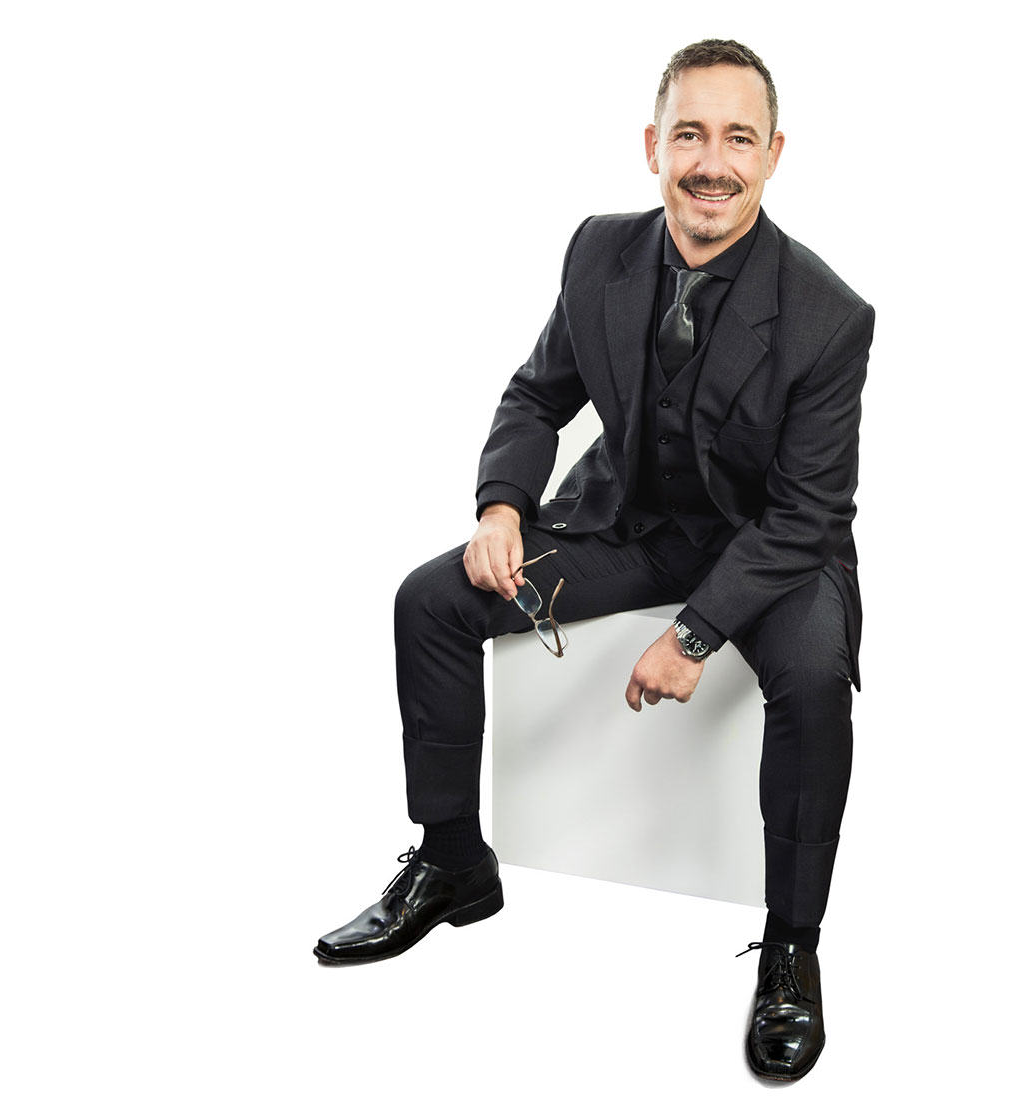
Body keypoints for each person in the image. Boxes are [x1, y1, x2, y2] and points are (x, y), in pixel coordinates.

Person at [313, 39, 874, 1083]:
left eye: (738, 138)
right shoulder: (599, 251)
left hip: (772, 553)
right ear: (653, 145)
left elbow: (809, 512)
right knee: (431, 599)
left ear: (774, 154)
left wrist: (693, 635)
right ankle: (452, 861)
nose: (712, 163)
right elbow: (538, 395)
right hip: (629, 526)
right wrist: (501, 506)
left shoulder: (829, 316)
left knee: (809, 674)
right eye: (690, 134)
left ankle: (792, 948)